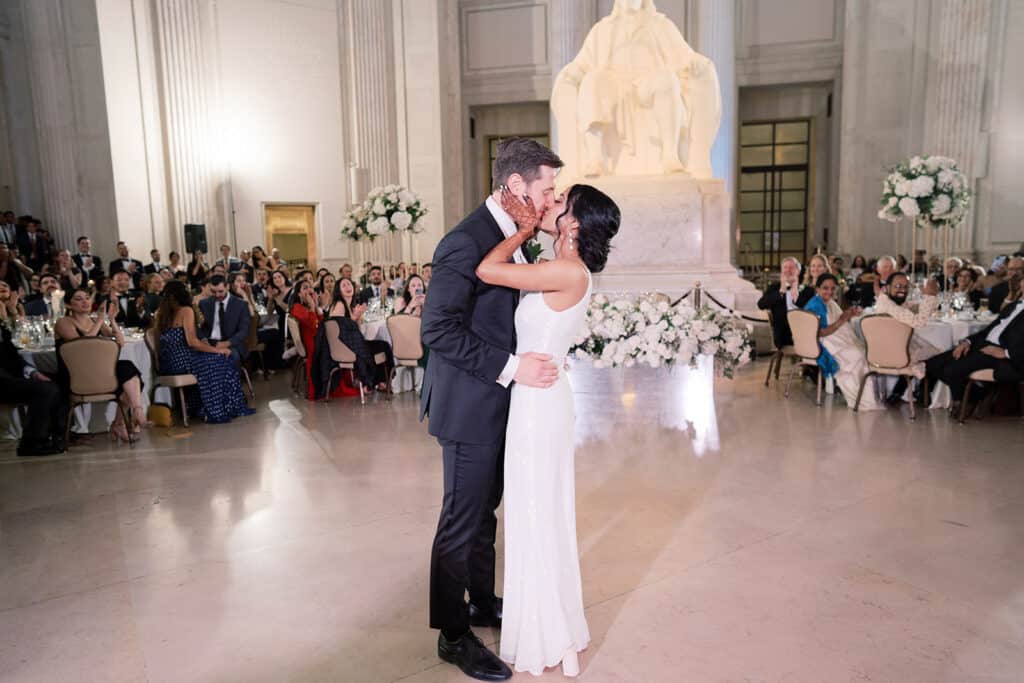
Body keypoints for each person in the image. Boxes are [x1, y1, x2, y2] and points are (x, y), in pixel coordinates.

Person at [420, 137, 568, 681]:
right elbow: (437, 328)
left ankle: (481, 602)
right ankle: (453, 635)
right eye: (547, 189)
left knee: (486, 514)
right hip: (468, 405)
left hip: (501, 403)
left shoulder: (514, 233)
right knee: (461, 520)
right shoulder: (465, 241)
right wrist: (512, 366)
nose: (552, 200)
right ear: (515, 186)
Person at [472, 181, 619, 676]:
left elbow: (488, 270)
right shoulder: (564, 268)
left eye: (559, 203)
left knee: (537, 512)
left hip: (539, 405)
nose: (549, 204)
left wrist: (523, 229)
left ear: (573, 223)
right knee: (538, 511)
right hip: (538, 397)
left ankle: (551, 633)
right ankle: (554, 631)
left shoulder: (567, 271)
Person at [55, 287, 148, 442]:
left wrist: (111, 319)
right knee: (126, 372)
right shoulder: (63, 322)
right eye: (78, 299)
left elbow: (120, 342)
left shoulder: (93, 321)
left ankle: (130, 415)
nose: (85, 301)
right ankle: (126, 420)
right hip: (76, 376)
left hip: (99, 374)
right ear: (68, 305)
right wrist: (99, 320)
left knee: (127, 370)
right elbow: (83, 345)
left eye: (86, 297)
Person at [155, 281, 254, 423]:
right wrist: (216, 351)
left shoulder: (162, 313)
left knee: (215, 359)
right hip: (183, 359)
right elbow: (192, 343)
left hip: (168, 363)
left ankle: (200, 407)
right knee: (222, 360)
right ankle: (221, 408)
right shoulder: (186, 311)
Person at [926, 275, 1024, 407]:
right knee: (932, 364)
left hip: (1000, 352)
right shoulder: (1014, 305)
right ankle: (978, 395)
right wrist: (968, 342)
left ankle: (961, 404)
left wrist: (1005, 353)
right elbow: (988, 331)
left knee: (952, 370)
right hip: (982, 345)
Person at [803, 273, 883, 410]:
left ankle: (865, 397)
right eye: (825, 288)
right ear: (817, 289)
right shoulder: (815, 305)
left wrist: (848, 314)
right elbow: (819, 332)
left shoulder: (830, 303)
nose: (829, 291)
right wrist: (841, 321)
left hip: (834, 338)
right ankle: (859, 399)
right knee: (857, 355)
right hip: (822, 342)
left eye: (832, 288)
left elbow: (837, 318)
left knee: (863, 351)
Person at [0, 321, 66, 456]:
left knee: (59, 382)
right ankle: (31, 443)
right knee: (45, 390)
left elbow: (14, 356)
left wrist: (32, 372)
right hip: (3, 381)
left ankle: (57, 435)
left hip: (12, 377)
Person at [872, 273, 942, 402]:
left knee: (922, 349)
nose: (902, 290)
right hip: (895, 355)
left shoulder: (887, 301)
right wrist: (930, 296)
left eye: (905, 287)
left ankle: (898, 392)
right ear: (887, 287)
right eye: (898, 286)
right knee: (940, 354)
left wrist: (929, 297)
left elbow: (912, 307)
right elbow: (918, 322)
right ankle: (923, 391)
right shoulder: (889, 306)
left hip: (884, 353)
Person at [757, 257, 814, 349]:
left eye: (791, 267)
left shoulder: (808, 291)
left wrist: (795, 290)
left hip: (804, 331)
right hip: (783, 335)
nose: (788, 270)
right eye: (785, 268)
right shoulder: (774, 288)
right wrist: (781, 292)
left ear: (798, 271)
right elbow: (761, 305)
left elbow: (811, 310)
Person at [198, 274, 251, 365]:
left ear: (228, 287)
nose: (217, 295)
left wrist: (227, 343)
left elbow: (244, 331)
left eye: (220, 291)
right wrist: (202, 339)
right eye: (213, 291)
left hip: (232, 343)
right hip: (208, 342)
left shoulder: (241, 305)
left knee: (231, 357)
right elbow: (196, 326)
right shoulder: (204, 304)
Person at [290, 280, 323, 400]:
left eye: (310, 288)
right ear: (299, 294)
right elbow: (314, 325)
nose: (309, 290)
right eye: (305, 288)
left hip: (318, 338)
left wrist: (316, 306)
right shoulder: (297, 307)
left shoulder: (309, 306)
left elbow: (321, 322)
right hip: (311, 342)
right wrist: (313, 307)